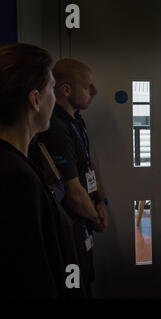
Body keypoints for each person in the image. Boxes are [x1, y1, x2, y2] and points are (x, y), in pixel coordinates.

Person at [0, 44, 81, 298]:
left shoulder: (17, 163)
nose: (55, 98)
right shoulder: (15, 178)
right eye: (51, 88)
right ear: (35, 99)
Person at [37, 59, 108, 297]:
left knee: (86, 279)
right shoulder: (54, 128)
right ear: (66, 90)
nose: (95, 91)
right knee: (74, 287)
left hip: (85, 219)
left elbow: (88, 165)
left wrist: (101, 200)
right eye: (89, 86)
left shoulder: (76, 120)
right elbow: (73, 192)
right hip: (70, 226)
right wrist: (95, 216)